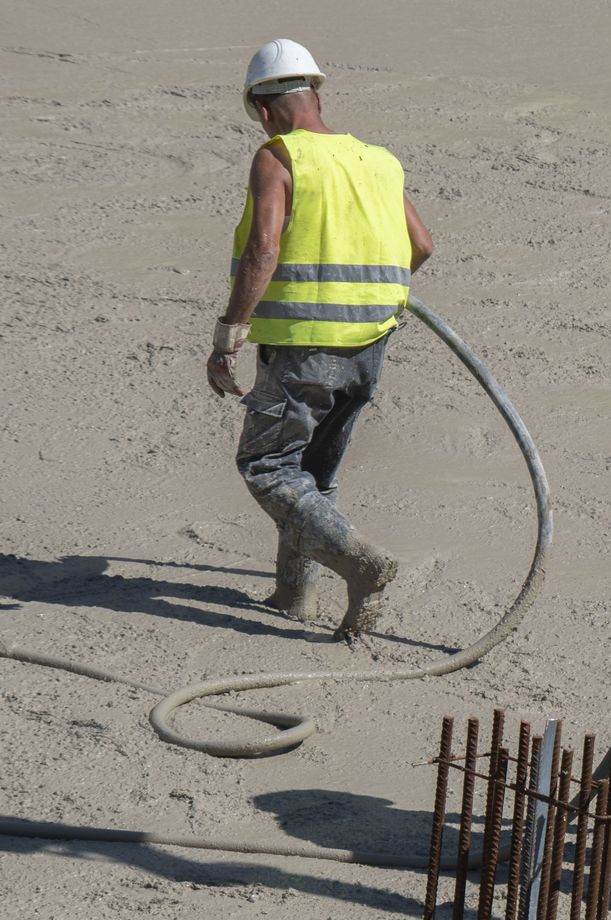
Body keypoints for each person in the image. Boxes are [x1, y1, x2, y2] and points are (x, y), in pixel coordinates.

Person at [208, 39, 433, 640]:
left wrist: (227, 335)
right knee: (312, 472)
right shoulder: (378, 160)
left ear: (262, 107)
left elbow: (264, 248)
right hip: (370, 346)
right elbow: (423, 246)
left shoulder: (278, 156)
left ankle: (362, 566)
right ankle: (294, 594)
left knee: (268, 466)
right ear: (317, 93)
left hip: (306, 346)